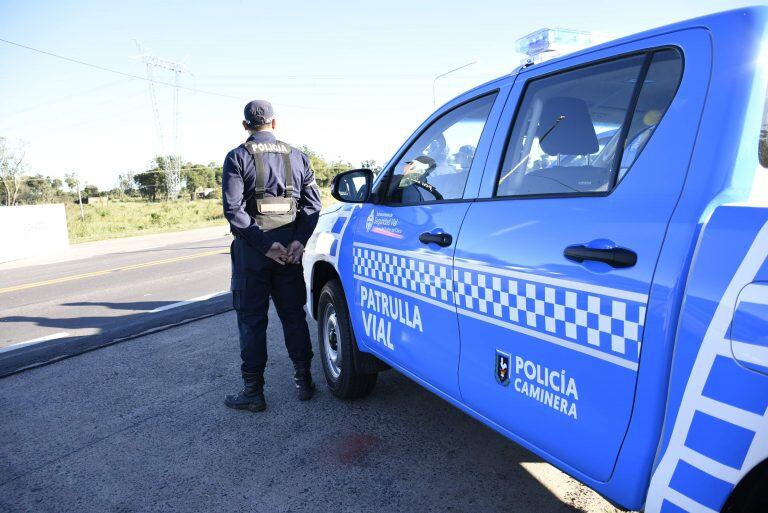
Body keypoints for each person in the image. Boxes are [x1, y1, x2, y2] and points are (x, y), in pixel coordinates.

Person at [221, 100, 322, 412]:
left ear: (245, 126)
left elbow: (234, 210)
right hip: (289, 252)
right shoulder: (298, 156)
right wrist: (298, 241)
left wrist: (264, 246)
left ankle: (254, 392)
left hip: (253, 253)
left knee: (252, 322)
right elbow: (313, 206)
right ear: (274, 124)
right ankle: (304, 382)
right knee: (293, 315)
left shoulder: (237, 157)